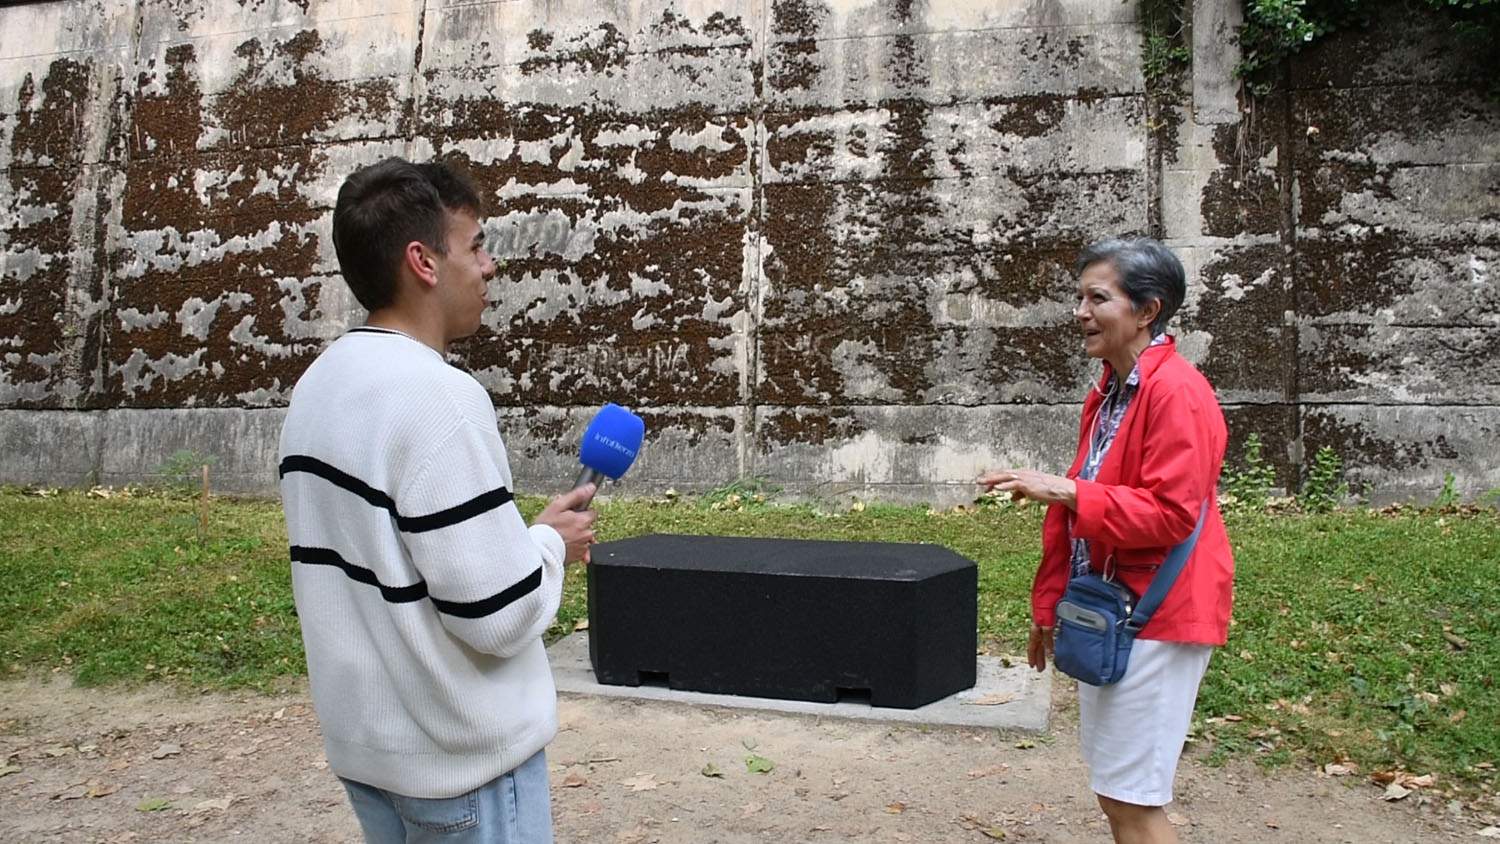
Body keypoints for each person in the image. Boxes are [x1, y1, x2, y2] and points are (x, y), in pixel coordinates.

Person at [278, 156, 597, 843]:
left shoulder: (318, 388)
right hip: (464, 771)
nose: (489, 267)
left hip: (371, 760)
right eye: (476, 245)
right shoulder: (440, 399)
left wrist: (524, 536)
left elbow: (394, 557)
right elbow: (498, 615)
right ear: (423, 262)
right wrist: (549, 547)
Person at [979, 237, 1234, 844]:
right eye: (1079, 297)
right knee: (1116, 793)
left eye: (1098, 298)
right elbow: (1080, 521)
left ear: (1148, 310)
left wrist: (1065, 492)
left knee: (1133, 802)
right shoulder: (1115, 389)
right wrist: (1050, 607)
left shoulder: (1177, 393)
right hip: (1112, 609)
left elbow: (1171, 515)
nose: (1080, 312)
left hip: (1157, 614)